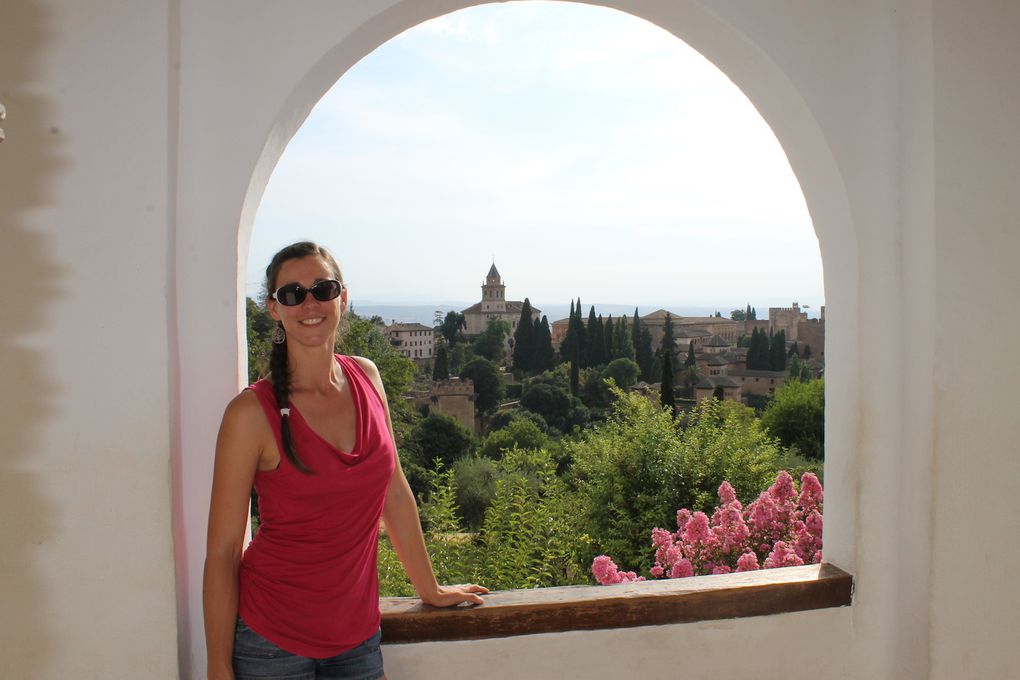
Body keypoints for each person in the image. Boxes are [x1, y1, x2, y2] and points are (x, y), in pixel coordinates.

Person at [204, 241, 487, 680]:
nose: (310, 303)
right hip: (270, 642)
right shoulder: (250, 414)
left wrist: (429, 588)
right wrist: (218, 666)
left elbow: (394, 491)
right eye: (292, 294)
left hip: (356, 638)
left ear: (343, 297)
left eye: (323, 288)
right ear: (274, 310)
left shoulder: (368, 377)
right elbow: (223, 553)